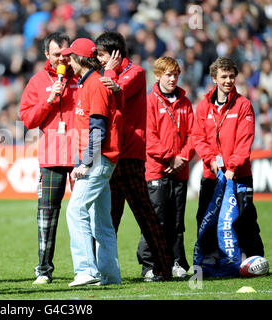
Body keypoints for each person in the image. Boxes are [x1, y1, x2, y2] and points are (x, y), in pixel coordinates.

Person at [95, 31, 173, 281]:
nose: (98, 59)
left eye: (101, 54)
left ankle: (164, 266)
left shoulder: (136, 73)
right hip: (113, 153)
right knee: (110, 216)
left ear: (115, 54)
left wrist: (111, 71)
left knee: (144, 214)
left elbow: (112, 94)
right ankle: (106, 269)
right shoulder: (109, 72)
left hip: (130, 154)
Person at [61, 38, 123, 287]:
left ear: (80, 59)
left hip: (97, 159)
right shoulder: (88, 83)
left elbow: (98, 129)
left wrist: (85, 162)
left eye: (70, 57)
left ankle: (86, 270)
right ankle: (110, 275)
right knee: (102, 222)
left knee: (75, 211)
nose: (67, 61)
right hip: (99, 158)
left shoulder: (94, 85)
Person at [19, 32, 79, 285]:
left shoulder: (83, 77)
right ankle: (43, 270)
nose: (61, 59)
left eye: (65, 54)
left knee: (86, 214)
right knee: (47, 216)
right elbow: (28, 119)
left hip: (80, 157)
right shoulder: (38, 81)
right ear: (47, 55)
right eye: (56, 55)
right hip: (52, 157)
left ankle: (88, 269)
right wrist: (49, 99)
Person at [192, 56, 264, 260]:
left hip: (239, 175)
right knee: (206, 219)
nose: (228, 81)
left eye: (232, 76)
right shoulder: (203, 106)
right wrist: (211, 161)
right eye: (224, 76)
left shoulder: (243, 105)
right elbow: (198, 137)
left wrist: (231, 167)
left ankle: (253, 259)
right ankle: (211, 261)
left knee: (245, 219)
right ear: (214, 78)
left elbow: (245, 140)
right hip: (212, 174)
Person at [137, 57, 195, 279]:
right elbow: (148, 136)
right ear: (158, 75)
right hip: (156, 169)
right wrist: (170, 157)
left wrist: (182, 157)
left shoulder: (185, 102)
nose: (172, 79)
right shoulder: (150, 101)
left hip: (180, 169)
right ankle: (149, 266)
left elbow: (194, 135)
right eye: (168, 74)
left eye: (176, 74)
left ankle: (176, 262)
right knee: (156, 219)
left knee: (177, 221)